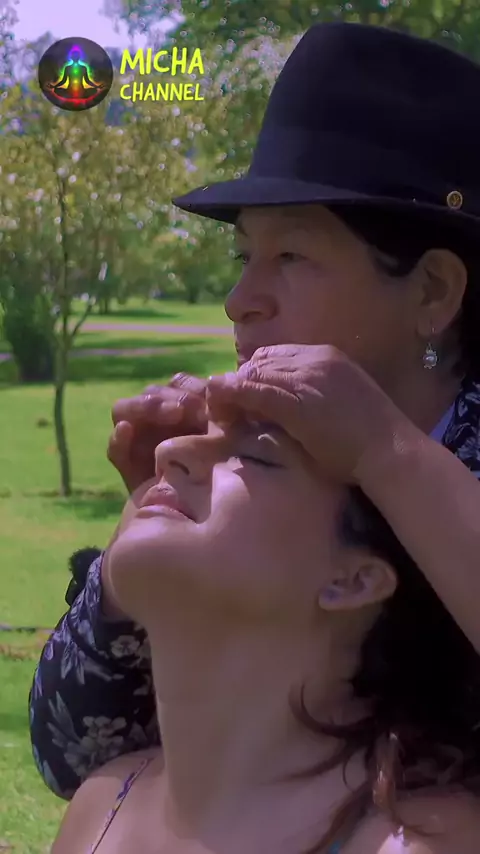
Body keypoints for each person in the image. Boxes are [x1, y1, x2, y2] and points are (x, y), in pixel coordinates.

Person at [30, 21, 480, 800]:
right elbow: (73, 754)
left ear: (433, 292)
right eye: (245, 255)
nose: (241, 300)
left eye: (292, 255)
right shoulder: (253, 458)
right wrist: (158, 526)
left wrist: (385, 452)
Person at [52, 420, 480, 854]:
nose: (168, 452)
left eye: (254, 454)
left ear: (354, 580)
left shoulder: (417, 841)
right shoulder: (103, 803)